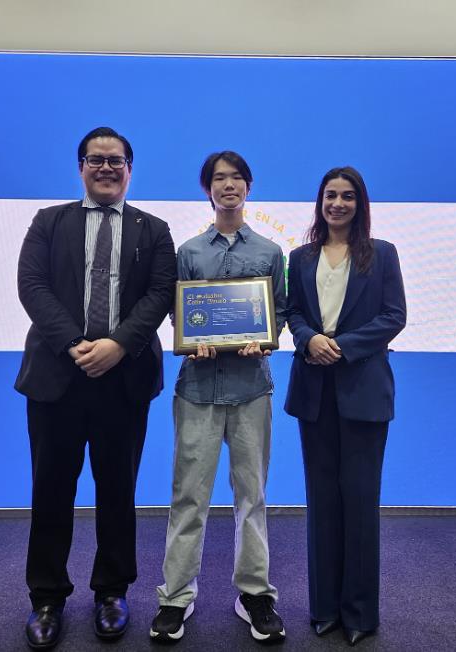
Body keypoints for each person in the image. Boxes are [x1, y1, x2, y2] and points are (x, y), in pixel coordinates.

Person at [15, 126, 176, 649]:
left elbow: (160, 294)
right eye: (96, 159)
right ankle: (47, 597)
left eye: (116, 160)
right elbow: (32, 286)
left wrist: (118, 345)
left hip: (123, 381)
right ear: (81, 167)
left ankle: (111, 591)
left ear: (130, 168)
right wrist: (75, 344)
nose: (106, 168)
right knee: (50, 490)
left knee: (117, 490)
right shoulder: (48, 222)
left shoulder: (154, 230)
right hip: (57, 379)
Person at [150, 151, 287, 644]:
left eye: (236, 178)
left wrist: (266, 339)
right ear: (208, 189)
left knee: (252, 496)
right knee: (188, 496)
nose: (229, 185)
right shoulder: (189, 251)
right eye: (219, 179)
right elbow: (180, 313)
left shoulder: (271, 252)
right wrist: (193, 340)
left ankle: (254, 595)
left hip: (251, 389)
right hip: (198, 390)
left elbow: (279, 312)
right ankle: (175, 597)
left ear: (248, 186)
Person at [285, 166, 406, 646]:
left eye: (348, 196)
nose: (338, 203)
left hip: (363, 391)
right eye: (330, 195)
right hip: (313, 392)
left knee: (359, 501)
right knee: (321, 501)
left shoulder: (382, 254)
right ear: (320, 202)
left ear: (360, 204)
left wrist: (341, 346)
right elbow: (293, 313)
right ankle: (324, 609)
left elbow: (394, 316)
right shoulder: (300, 256)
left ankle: (359, 613)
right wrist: (308, 339)